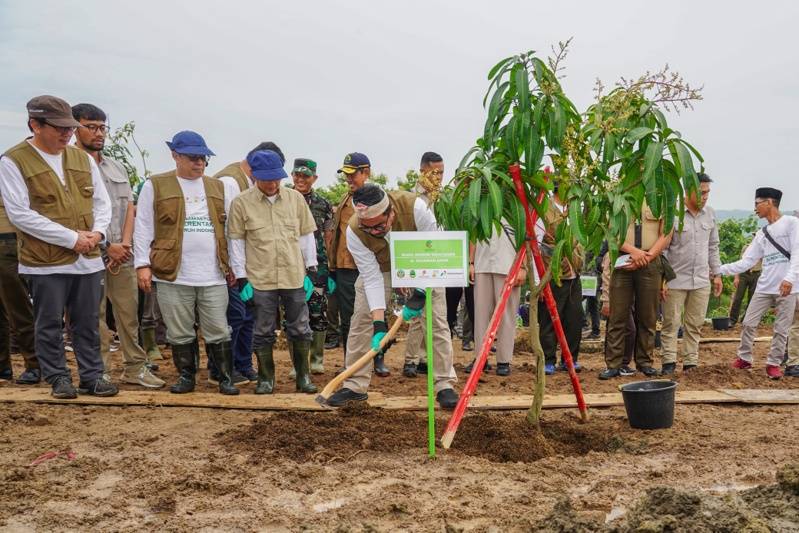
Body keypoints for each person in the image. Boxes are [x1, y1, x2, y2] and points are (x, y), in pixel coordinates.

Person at [0, 95, 115, 398]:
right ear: (34, 125)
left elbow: (102, 202)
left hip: (88, 258)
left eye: (70, 128)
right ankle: (58, 377)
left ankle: (92, 376)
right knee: (48, 322)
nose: (67, 134)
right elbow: (21, 214)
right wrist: (71, 238)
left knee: (87, 322)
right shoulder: (14, 161)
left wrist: (98, 234)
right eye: (59, 127)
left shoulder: (82, 159)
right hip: (45, 261)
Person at [325, 184, 459, 408]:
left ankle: (444, 383)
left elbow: (436, 252)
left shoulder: (416, 208)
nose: (375, 232)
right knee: (360, 319)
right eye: (369, 229)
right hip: (382, 268)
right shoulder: (355, 230)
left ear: (391, 213)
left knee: (435, 319)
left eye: (379, 225)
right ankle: (355, 386)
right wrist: (379, 323)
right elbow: (371, 277)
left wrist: (419, 291)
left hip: (424, 264)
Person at [134, 130, 240, 395]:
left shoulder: (219, 187)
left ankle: (224, 377)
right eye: (193, 158)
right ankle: (186, 376)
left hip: (213, 272)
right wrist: (142, 264)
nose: (200, 163)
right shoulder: (155, 185)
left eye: (203, 158)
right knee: (179, 330)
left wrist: (235, 265)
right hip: (172, 271)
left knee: (218, 327)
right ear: (175, 156)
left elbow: (230, 230)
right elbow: (143, 225)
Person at [72, 103, 164, 389]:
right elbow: (73, 215)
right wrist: (106, 246)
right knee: (94, 317)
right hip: (88, 255)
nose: (99, 133)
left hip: (122, 255)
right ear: (75, 128)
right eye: (92, 127)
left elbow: (129, 208)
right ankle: (100, 371)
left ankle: (135, 368)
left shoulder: (116, 166)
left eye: (103, 127)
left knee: (128, 313)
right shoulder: (70, 166)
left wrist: (123, 244)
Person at [228, 150, 319, 394]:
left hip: (294, 275)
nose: (272, 184)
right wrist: (242, 278)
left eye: (275, 178)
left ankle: (303, 377)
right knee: (262, 329)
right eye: (266, 179)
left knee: (300, 327)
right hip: (260, 277)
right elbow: (236, 242)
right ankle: (266, 379)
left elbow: (306, 236)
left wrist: (310, 270)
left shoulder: (295, 199)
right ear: (254, 175)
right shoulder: (241, 203)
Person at [719, 187, 799, 379]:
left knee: (781, 328)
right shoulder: (762, 233)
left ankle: (773, 363)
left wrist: (789, 278)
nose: (755, 208)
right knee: (748, 323)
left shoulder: (791, 223)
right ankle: (745, 357)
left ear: (769, 202)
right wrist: (719, 269)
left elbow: (797, 252)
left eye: (757, 203)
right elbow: (747, 261)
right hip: (765, 287)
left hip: (788, 287)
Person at [600, 201, 672, 379]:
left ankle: (645, 362)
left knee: (648, 316)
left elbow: (666, 232)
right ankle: (614, 364)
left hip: (651, 259)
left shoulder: (660, 195)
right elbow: (611, 232)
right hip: (623, 258)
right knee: (618, 315)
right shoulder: (619, 197)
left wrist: (647, 256)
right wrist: (633, 252)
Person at [660, 173, 723, 375]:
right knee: (671, 323)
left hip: (701, 280)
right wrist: (663, 279)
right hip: (675, 279)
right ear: (688, 191)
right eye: (702, 193)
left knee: (694, 324)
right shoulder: (673, 214)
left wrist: (717, 274)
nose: (705, 197)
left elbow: (713, 247)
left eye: (708, 193)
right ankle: (668, 362)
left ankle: (690, 363)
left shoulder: (710, 214)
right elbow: (663, 250)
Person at [328, 153, 377, 370]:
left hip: (368, 267)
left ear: (366, 172)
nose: (348, 179)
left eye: (352, 174)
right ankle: (351, 361)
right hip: (345, 266)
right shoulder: (346, 198)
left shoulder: (377, 198)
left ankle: (377, 360)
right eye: (345, 174)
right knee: (348, 317)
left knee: (374, 313)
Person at [403, 151, 447, 378]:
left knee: (434, 313)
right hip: (418, 258)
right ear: (423, 171)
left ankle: (423, 359)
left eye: (441, 172)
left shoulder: (443, 198)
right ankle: (411, 359)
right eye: (435, 172)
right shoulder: (413, 198)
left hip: (439, 259)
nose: (439, 176)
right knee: (418, 312)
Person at [291, 157, 334, 374]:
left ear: (314, 178)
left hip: (318, 266)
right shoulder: (284, 199)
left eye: (305, 176)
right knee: (293, 313)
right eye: (297, 175)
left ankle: (316, 359)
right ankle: (297, 363)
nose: (300, 179)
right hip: (290, 265)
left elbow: (328, 237)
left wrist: (330, 269)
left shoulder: (323, 204)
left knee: (318, 312)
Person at [536, 183, 585, 374]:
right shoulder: (545, 209)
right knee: (548, 318)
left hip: (574, 273)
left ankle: (570, 358)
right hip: (553, 274)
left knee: (574, 318)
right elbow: (540, 241)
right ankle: (548, 359)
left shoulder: (574, 211)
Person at [468, 222, 526, 376]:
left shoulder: (516, 204)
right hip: (482, 263)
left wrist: (523, 266)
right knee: (481, 315)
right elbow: (474, 232)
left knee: (507, 315)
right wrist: (471, 262)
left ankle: (504, 360)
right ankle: (480, 359)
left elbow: (525, 234)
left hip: (508, 265)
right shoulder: (480, 200)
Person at [728, 238, 762, 324]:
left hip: (756, 274)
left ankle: (746, 319)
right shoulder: (746, 247)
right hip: (744, 274)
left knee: (752, 299)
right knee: (738, 297)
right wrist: (736, 277)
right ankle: (732, 320)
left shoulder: (764, 248)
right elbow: (740, 262)